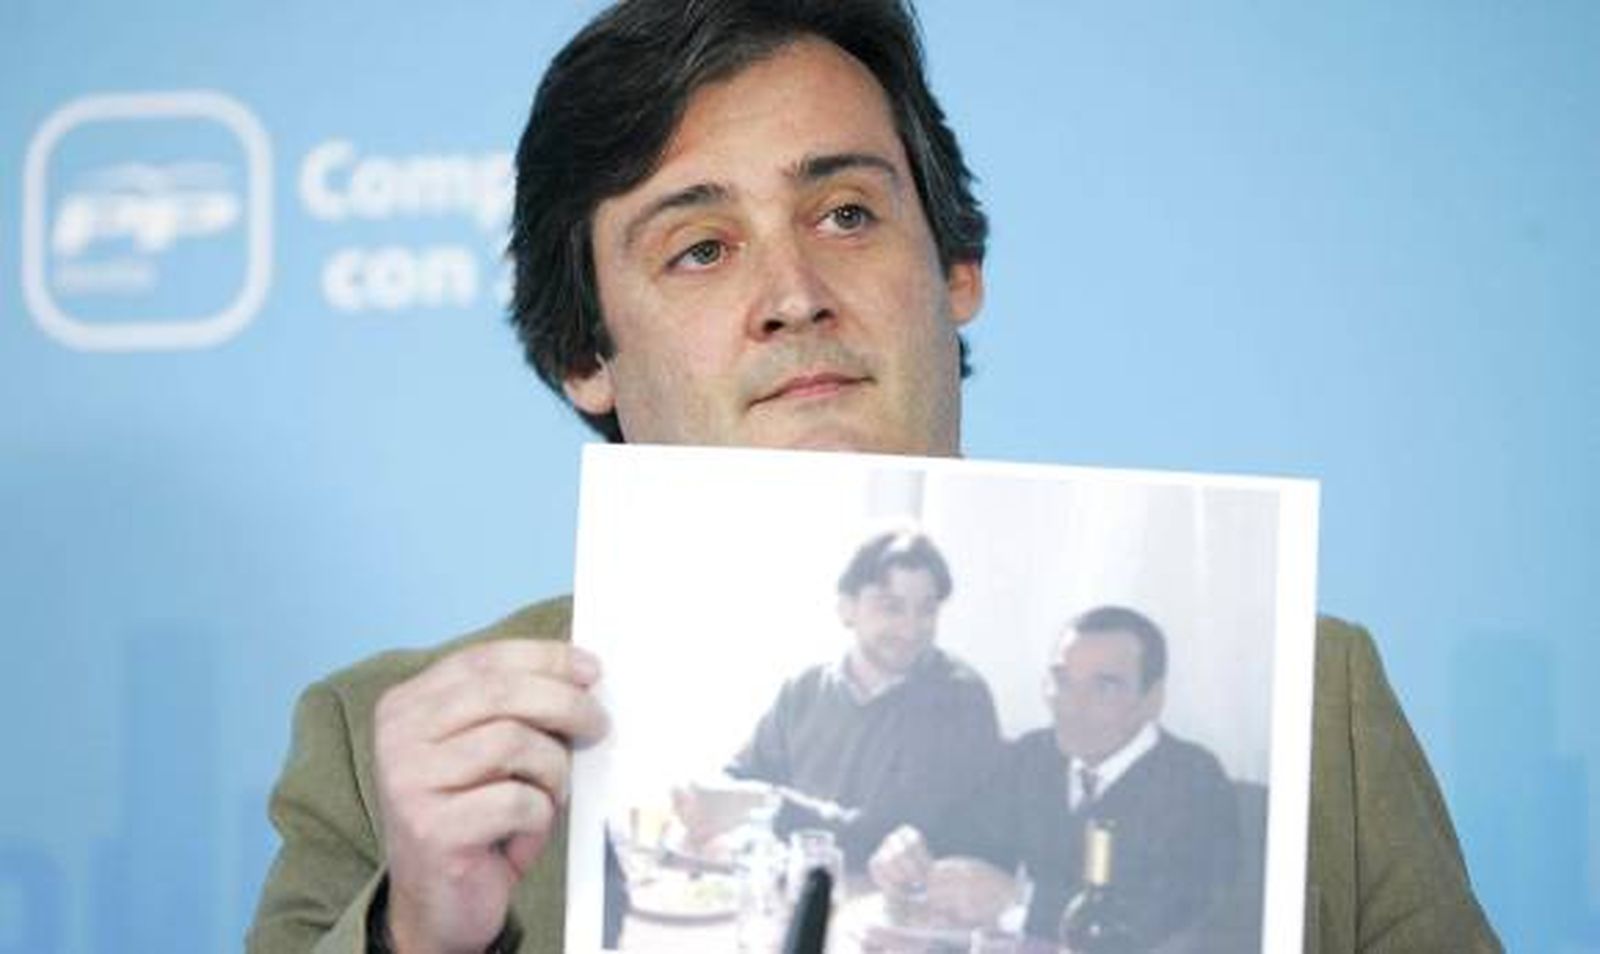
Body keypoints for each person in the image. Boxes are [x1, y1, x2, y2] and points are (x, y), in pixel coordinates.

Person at [246, 1, 1502, 952]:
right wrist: (416, 937)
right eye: (700, 249)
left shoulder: (1310, 697)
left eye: (846, 214)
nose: (793, 295)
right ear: (586, 354)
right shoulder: (395, 749)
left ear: (956, 269)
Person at [870, 606, 1239, 948]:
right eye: (1061, 679)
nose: (1071, 704)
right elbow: (966, 838)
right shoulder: (1034, 755)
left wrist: (1020, 901)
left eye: (1104, 686)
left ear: (1152, 699)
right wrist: (910, 854)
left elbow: (1162, 922)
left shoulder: (1195, 783)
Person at [676, 529, 1001, 869]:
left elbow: (889, 837)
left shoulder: (959, 698)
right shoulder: (804, 688)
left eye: (926, 610)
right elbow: (743, 778)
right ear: (846, 608)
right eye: (892, 608)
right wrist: (704, 800)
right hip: (802, 889)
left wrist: (768, 805)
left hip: (897, 900)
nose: (911, 629)